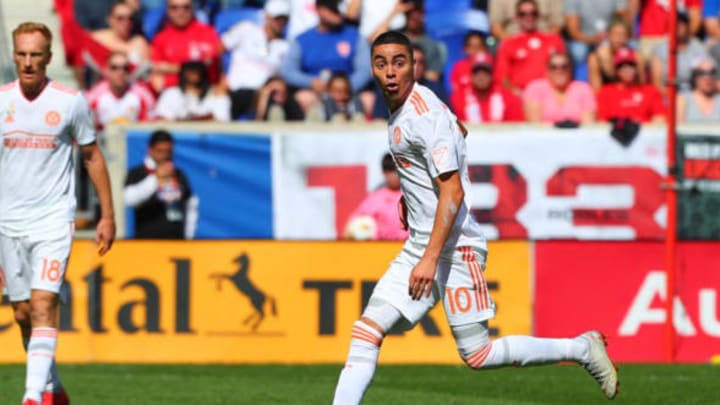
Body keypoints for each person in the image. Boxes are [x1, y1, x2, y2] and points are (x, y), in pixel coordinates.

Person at [332, 30, 619, 404]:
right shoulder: (413, 108)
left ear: (414, 66)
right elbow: (456, 134)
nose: (389, 72)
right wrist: (414, 196)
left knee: (478, 355)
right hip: (423, 244)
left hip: (453, 249)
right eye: (381, 63)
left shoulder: (424, 114)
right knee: (367, 332)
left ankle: (581, 349)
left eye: (398, 63)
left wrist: (431, 258)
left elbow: (453, 190)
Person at [0, 22, 116, 405]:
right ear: (14, 55)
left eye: (37, 55)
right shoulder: (1, 101)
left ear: (49, 58)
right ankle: (54, 390)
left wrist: (107, 215)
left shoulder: (69, 101)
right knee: (21, 313)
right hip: (7, 221)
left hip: (52, 219)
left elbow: (92, 155)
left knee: (43, 303)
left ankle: (32, 396)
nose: (29, 62)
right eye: (23, 54)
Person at [280, 0, 372, 114]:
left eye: (339, 9)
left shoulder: (355, 37)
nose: (338, 13)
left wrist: (343, 88)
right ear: (319, 10)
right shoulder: (303, 40)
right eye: (333, 10)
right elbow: (287, 70)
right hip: (316, 94)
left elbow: (365, 70)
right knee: (304, 97)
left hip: (348, 94)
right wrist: (311, 82)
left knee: (369, 99)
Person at [221, 0, 290, 120]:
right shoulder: (246, 29)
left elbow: (284, 74)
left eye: (283, 19)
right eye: (276, 18)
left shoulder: (285, 46)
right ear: (266, 16)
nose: (280, 22)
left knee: (275, 98)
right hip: (236, 89)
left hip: (265, 92)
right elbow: (219, 49)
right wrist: (221, 76)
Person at [124, 130, 198, 239]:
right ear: (150, 150)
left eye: (168, 152)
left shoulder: (179, 174)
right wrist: (156, 179)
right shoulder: (138, 173)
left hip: (176, 240)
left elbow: (191, 204)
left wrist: (189, 237)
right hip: (146, 240)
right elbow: (128, 199)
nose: (164, 156)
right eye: (160, 151)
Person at [149, 0, 222, 93]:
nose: (180, 12)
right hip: (173, 92)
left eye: (186, 7)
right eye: (174, 8)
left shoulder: (208, 32)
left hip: (205, 90)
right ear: (168, 10)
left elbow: (205, 67)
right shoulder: (160, 38)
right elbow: (157, 75)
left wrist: (171, 68)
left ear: (193, 9)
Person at [494, 0, 566, 94]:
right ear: (516, 18)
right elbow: (502, 77)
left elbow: (564, 72)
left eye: (533, 13)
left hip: (550, 96)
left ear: (538, 16)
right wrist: (517, 93)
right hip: (519, 96)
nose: (529, 17)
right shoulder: (508, 44)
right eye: (523, 14)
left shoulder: (554, 40)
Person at [343, 153, 409, 241]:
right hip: (381, 249)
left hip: (408, 248)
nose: (394, 176)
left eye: (397, 171)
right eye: (390, 171)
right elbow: (351, 227)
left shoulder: (412, 197)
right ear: (384, 173)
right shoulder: (375, 199)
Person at [86, 51, 156, 131]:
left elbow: (150, 128)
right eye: (114, 68)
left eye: (125, 68)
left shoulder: (143, 95)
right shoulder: (93, 96)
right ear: (106, 70)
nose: (120, 72)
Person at [450, 51, 525, 123]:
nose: (481, 77)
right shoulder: (458, 99)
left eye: (486, 73)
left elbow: (516, 128)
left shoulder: (508, 99)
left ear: (492, 75)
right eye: (477, 73)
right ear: (471, 76)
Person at [523, 52, 596, 125]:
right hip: (544, 135)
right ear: (547, 70)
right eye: (553, 67)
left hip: (576, 135)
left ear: (571, 69)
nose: (559, 70)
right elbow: (535, 126)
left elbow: (588, 126)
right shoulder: (535, 88)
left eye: (564, 66)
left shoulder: (583, 89)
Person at [597, 46, 666, 123]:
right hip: (616, 132)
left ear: (636, 67)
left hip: (644, 131)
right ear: (616, 70)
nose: (627, 69)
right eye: (621, 66)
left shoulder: (650, 91)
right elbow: (602, 120)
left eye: (631, 65)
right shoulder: (606, 92)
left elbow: (660, 116)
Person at [650, 10, 709, 96]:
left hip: (693, 96)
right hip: (667, 96)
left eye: (682, 23)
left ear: (687, 26)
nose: (678, 26)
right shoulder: (660, 49)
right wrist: (672, 98)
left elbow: (704, 77)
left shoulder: (699, 48)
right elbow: (657, 82)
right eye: (675, 23)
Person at [155, 61, 231, 121]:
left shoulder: (217, 93)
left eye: (197, 71)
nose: (194, 74)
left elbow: (222, 120)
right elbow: (165, 120)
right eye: (190, 70)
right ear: (183, 73)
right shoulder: (170, 93)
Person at [563, 0, 629, 67]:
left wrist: (611, 35)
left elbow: (622, 18)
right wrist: (593, 39)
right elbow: (573, 31)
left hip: (609, 35)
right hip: (583, 39)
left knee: (631, 47)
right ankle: (580, 76)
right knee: (578, 52)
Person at [587, 19, 646, 92]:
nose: (619, 39)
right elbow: (596, 90)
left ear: (628, 37)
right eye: (615, 34)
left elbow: (641, 85)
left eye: (623, 35)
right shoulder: (596, 58)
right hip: (607, 97)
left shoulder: (636, 56)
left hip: (630, 95)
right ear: (608, 35)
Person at [91, 0, 150, 67]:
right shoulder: (97, 39)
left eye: (130, 18)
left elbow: (145, 73)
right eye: (120, 18)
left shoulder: (139, 43)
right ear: (110, 19)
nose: (126, 22)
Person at [489, 0, 564, 40]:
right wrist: (511, 43)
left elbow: (557, 23)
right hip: (511, 37)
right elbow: (496, 26)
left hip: (545, 37)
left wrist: (546, 43)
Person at [448, 31, 489, 96]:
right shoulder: (459, 67)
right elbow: (455, 91)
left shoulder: (493, 65)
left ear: (485, 48)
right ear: (465, 49)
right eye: (471, 46)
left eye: (479, 46)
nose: (475, 50)